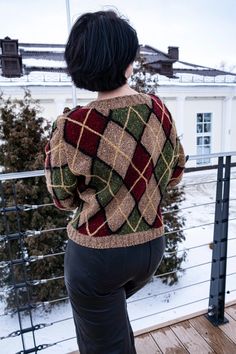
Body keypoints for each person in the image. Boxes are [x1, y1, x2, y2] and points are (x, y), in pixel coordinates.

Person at [45, 10, 185, 354]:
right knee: (113, 328)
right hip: (150, 247)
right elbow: (176, 172)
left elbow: (61, 198)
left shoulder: (73, 125)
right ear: (127, 61)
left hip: (97, 259)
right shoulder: (159, 111)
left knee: (102, 344)